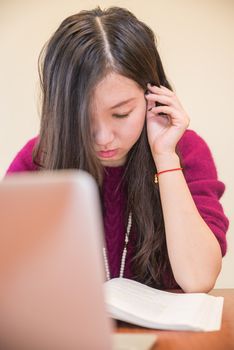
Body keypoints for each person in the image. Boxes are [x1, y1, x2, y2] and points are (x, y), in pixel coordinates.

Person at [6, 6, 229, 292]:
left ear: (153, 96)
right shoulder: (39, 159)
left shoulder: (185, 151)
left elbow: (198, 278)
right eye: (83, 118)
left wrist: (165, 157)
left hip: (168, 335)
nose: (103, 138)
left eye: (121, 114)